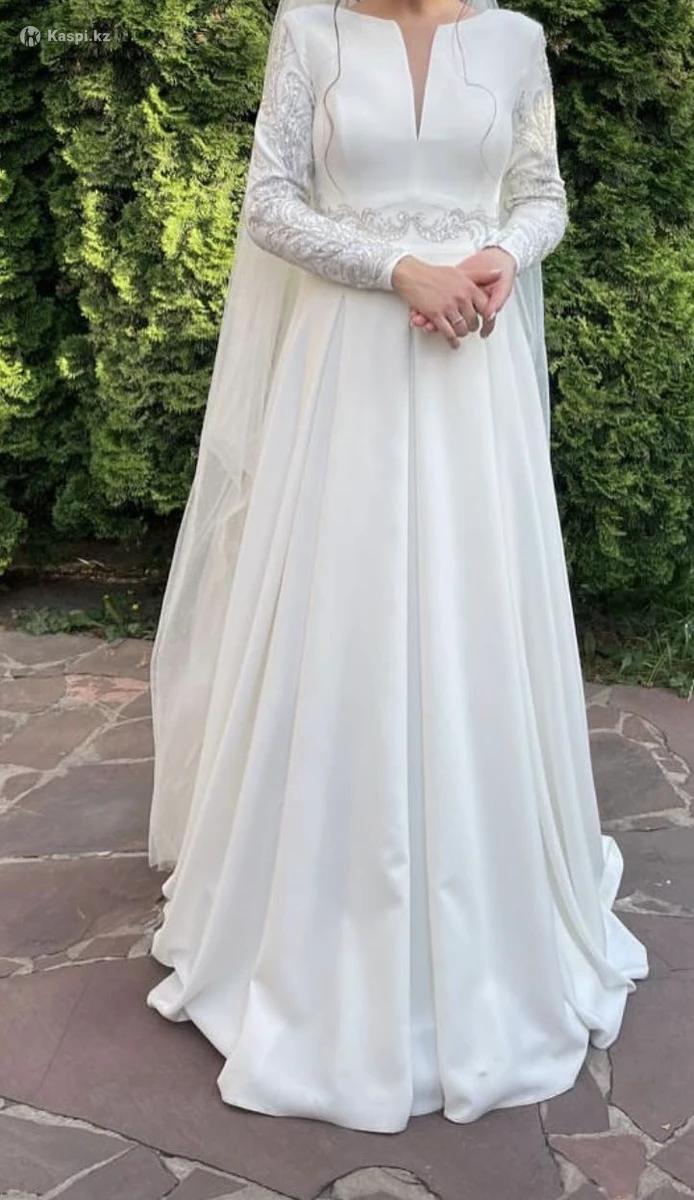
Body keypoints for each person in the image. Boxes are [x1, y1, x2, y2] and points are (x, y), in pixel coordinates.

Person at [145, 0, 649, 1134]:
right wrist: (397, 268)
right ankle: (314, 915)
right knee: (345, 615)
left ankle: (489, 901)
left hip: (473, 375)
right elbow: (269, 200)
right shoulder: (310, 28)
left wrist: (494, 258)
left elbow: (542, 195)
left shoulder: (514, 41)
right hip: (345, 374)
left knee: (474, 618)